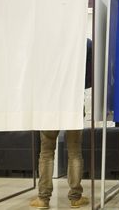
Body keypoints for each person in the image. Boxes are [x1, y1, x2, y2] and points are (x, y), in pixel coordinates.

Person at [30, 39, 92, 209]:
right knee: (74, 152)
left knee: (46, 152)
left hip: (48, 101)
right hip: (73, 100)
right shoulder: (85, 43)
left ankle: (43, 199)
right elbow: (89, 79)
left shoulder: (43, 42)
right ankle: (75, 197)